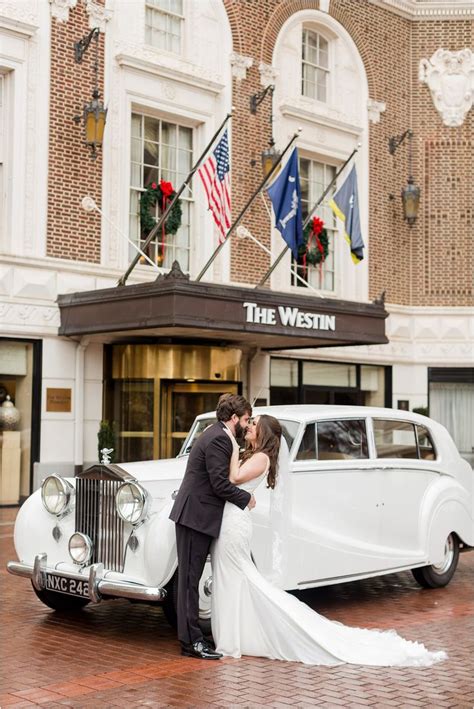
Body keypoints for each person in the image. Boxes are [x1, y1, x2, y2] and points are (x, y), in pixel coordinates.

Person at [211, 414, 447, 667]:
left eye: (254, 424)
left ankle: (237, 636)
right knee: (235, 578)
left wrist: (232, 446)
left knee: (237, 578)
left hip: (235, 523)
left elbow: (234, 478)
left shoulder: (261, 458)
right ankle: (237, 634)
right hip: (232, 518)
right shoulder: (253, 454)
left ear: (265, 432)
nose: (249, 426)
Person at [169, 393, 255, 660]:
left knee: (189, 579)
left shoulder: (216, 433)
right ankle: (192, 642)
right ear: (233, 419)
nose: (247, 424)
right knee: (189, 580)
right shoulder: (219, 438)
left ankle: (192, 636)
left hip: (196, 516)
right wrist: (246, 498)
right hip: (196, 517)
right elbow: (219, 483)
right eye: (245, 420)